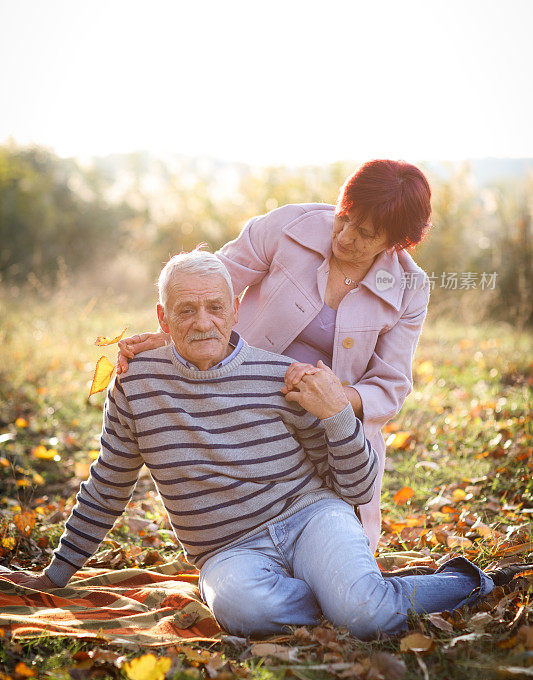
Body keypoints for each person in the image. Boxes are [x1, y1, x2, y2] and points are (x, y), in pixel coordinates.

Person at [0, 252, 503, 639]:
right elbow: (109, 481)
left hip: (310, 517)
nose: (203, 322)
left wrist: (336, 420)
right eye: (186, 310)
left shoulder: (279, 377)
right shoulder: (136, 384)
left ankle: (465, 582)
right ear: (163, 316)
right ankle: (343, 597)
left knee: (366, 616)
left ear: (236, 308)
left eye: (216, 307)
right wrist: (59, 571)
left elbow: (356, 486)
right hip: (227, 548)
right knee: (242, 611)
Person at [117, 159, 432, 553]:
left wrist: (333, 397)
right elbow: (207, 286)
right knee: (244, 526)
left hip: (328, 422)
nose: (346, 236)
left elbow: (390, 385)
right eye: (344, 218)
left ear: (395, 242)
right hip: (240, 402)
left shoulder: (408, 287)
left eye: (365, 234)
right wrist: (168, 337)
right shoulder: (288, 227)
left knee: (342, 550)